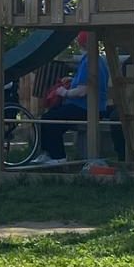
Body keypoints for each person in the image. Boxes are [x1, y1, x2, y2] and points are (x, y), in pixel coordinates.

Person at [32, 30, 109, 165]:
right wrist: (72, 80)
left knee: (50, 119)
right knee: (50, 116)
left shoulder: (89, 61)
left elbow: (83, 91)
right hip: (93, 107)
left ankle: (58, 157)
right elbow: (87, 82)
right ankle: (48, 153)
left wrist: (63, 92)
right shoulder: (97, 59)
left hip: (86, 108)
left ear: (81, 44)